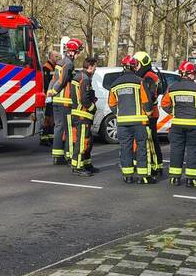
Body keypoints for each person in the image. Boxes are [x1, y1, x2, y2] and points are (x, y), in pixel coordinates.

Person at [161, 61, 196, 187]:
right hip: (194, 125)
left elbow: (164, 104)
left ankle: (174, 178)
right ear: (191, 74)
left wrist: (173, 113)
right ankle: (192, 180)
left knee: (176, 151)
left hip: (177, 125)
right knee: (193, 151)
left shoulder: (171, 88)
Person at [108, 56, 152, 184]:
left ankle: (127, 176)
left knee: (125, 148)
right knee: (141, 148)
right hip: (139, 122)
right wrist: (148, 113)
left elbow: (111, 103)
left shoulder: (115, 84)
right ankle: (142, 176)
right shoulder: (140, 81)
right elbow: (146, 101)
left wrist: (118, 113)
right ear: (134, 67)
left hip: (122, 123)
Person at [46, 39, 82, 165]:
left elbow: (53, 79)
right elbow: (61, 81)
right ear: (72, 52)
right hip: (65, 101)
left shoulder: (60, 62)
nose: (79, 54)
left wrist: (50, 93)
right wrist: (54, 91)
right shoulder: (69, 64)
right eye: (78, 52)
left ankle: (57, 156)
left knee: (58, 128)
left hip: (57, 101)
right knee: (67, 130)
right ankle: (69, 156)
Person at [132, 51, 164, 179]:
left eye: (137, 64)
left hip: (149, 113)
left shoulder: (149, 77)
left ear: (143, 63)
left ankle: (156, 166)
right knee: (148, 140)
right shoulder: (149, 75)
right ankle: (153, 165)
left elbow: (149, 97)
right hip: (148, 113)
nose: (135, 66)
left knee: (151, 140)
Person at [68, 56, 98, 176]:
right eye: (95, 67)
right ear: (90, 67)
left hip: (80, 114)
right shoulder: (84, 78)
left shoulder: (80, 76)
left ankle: (86, 163)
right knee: (82, 142)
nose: (95, 70)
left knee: (87, 141)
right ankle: (77, 166)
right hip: (82, 115)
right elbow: (84, 99)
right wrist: (93, 108)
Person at [39, 51, 61, 147]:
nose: (58, 58)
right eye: (56, 56)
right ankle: (45, 138)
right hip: (48, 96)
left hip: (51, 95)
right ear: (51, 57)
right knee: (48, 117)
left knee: (50, 117)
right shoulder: (46, 67)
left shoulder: (53, 67)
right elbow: (47, 83)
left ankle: (49, 137)